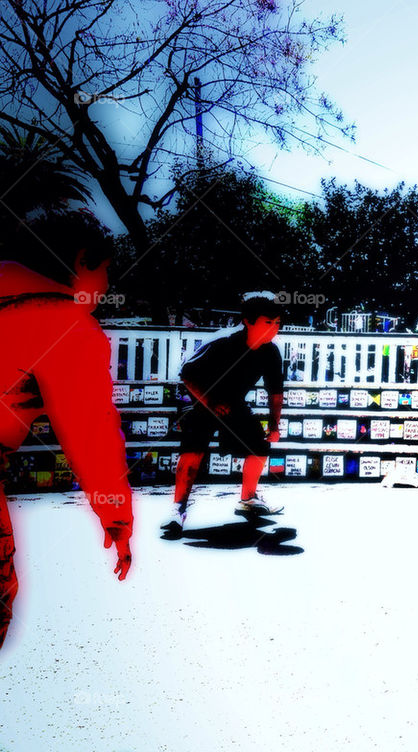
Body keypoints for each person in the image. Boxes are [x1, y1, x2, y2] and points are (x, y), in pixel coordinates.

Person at [0, 211, 133, 650]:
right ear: (81, 262)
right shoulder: (64, 322)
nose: (108, 286)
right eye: (106, 270)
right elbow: (91, 434)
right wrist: (117, 518)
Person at [166, 292, 285, 537]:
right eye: (267, 323)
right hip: (199, 400)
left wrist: (274, 424)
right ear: (248, 322)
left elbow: (275, 393)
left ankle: (248, 499)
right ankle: (178, 509)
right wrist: (209, 401)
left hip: (234, 404)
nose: (273, 329)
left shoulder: (271, 352)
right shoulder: (223, 342)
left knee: (260, 446)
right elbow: (187, 373)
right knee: (192, 452)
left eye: (276, 324)